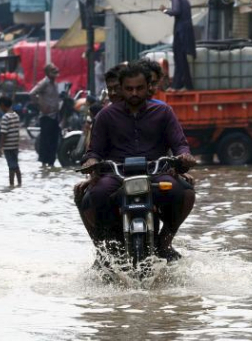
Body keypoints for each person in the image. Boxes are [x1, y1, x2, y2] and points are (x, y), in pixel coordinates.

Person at [74, 62, 197, 260]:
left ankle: (165, 241)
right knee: (94, 196)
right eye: (129, 89)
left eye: (139, 88)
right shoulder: (106, 115)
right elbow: (94, 151)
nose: (134, 93)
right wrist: (91, 162)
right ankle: (107, 248)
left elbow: (180, 144)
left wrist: (184, 157)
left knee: (186, 194)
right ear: (121, 89)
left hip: (156, 173)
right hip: (116, 175)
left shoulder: (164, 112)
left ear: (148, 87)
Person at [160, 0, 196, 90]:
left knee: (179, 58)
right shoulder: (185, 1)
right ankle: (187, 85)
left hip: (181, 32)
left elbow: (176, 11)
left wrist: (165, 10)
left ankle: (178, 85)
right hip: (185, 32)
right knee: (182, 59)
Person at [30, 63, 60, 167]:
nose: (55, 71)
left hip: (55, 115)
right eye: (52, 70)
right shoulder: (44, 83)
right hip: (46, 116)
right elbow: (32, 93)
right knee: (45, 140)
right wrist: (40, 106)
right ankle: (44, 163)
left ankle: (51, 163)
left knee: (54, 140)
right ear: (47, 73)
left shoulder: (55, 84)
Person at [0, 96, 21, 187]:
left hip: (8, 147)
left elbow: (3, 133)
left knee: (11, 167)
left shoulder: (5, 117)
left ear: (2, 105)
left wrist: (0, 147)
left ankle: (11, 185)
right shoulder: (16, 115)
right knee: (15, 166)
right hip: (15, 145)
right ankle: (19, 184)